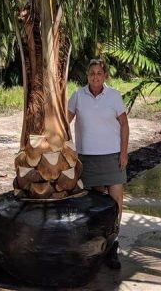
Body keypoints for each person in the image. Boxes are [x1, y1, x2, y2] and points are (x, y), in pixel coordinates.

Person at [67, 58, 129, 270]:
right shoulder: (78, 96)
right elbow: (64, 121)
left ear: (105, 76)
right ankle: (96, 248)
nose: (95, 76)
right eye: (92, 72)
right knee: (95, 206)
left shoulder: (114, 95)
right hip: (87, 158)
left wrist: (123, 153)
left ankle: (112, 246)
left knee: (116, 201)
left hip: (112, 156)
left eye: (99, 73)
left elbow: (124, 124)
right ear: (87, 75)